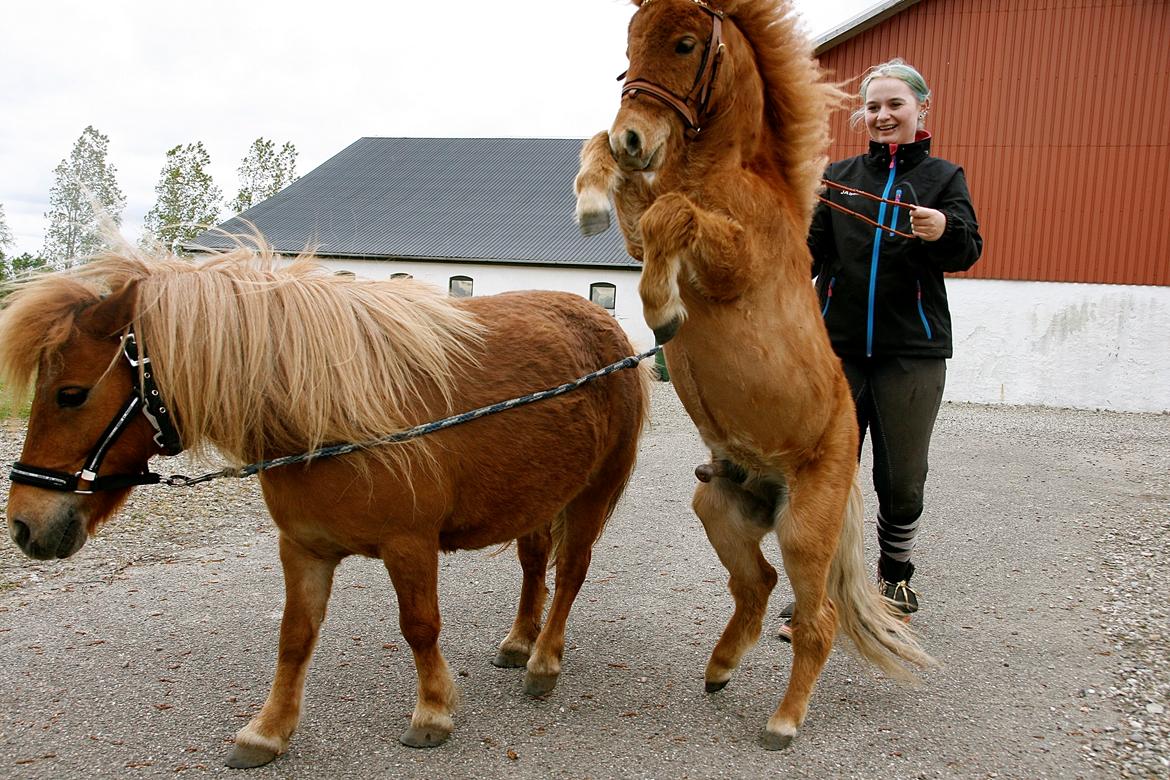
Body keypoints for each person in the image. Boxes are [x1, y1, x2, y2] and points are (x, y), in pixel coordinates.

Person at [779, 58, 983, 640]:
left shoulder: (945, 177)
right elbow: (808, 257)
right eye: (873, 106)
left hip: (910, 351)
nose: (882, 115)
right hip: (836, 351)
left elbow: (968, 249)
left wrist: (944, 229)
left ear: (922, 109)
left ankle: (894, 575)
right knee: (824, 473)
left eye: (895, 104)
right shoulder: (839, 176)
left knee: (900, 476)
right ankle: (814, 592)